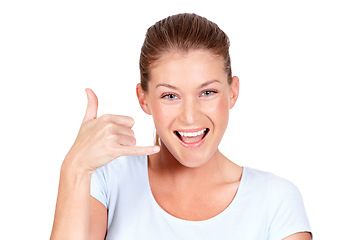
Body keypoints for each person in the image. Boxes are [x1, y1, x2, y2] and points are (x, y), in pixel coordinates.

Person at [50, 13, 312, 240]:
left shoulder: (275, 200)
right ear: (144, 99)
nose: (189, 117)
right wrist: (75, 166)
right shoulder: (107, 180)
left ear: (232, 93)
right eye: (170, 96)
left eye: (207, 92)